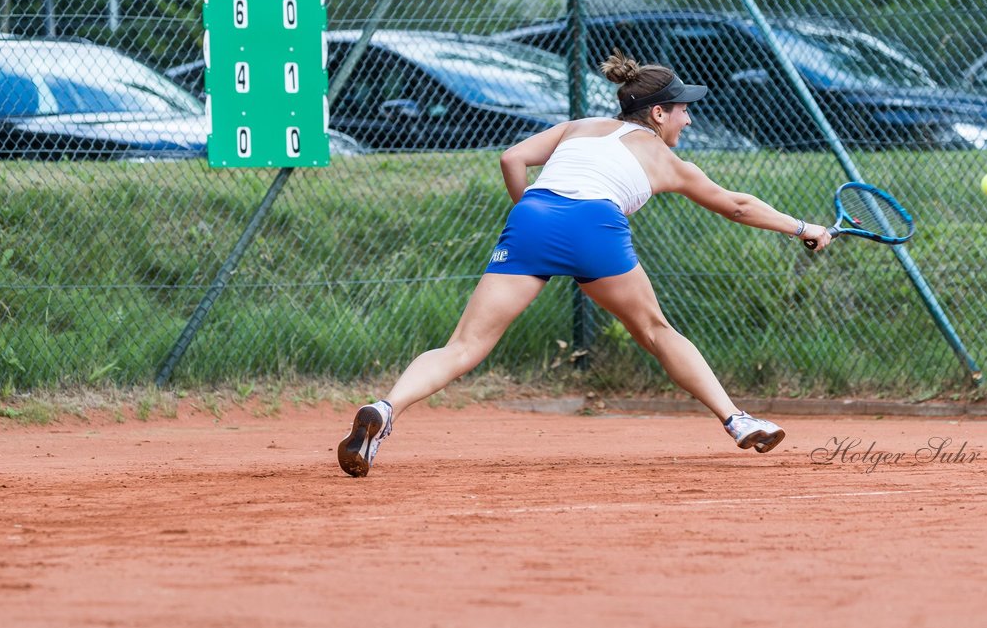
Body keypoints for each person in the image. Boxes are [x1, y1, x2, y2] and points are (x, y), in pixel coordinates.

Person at [338, 51, 833, 477]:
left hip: (533, 216)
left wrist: (529, 215)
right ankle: (736, 420)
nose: (689, 119)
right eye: (683, 110)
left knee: (464, 345)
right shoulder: (665, 160)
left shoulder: (580, 126)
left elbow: (512, 158)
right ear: (658, 114)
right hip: (595, 225)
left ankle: (385, 409)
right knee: (658, 333)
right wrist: (802, 227)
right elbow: (737, 206)